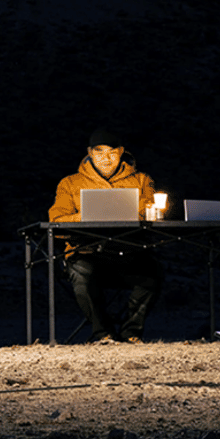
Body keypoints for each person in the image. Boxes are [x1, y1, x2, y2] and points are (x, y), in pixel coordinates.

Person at [48, 129, 164, 343]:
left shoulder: (141, 181)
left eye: (112, 152)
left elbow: (147, 211)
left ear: (121, 152)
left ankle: (131, 333)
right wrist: (84, 217)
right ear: (90, 153)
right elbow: (56, 218)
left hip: (128, 251)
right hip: (87, 252)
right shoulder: (70, 183)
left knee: (152, 273)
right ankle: (103, 334)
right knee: (82, 274)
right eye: (99, 152)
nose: (106, 158)